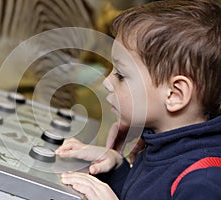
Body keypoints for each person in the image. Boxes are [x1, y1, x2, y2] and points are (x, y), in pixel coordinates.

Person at [55, 0, 221, 199]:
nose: (107, 82)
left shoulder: (203, 182)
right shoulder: (162, 143)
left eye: (121, 75)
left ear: (175, 94)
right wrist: (117, 169)